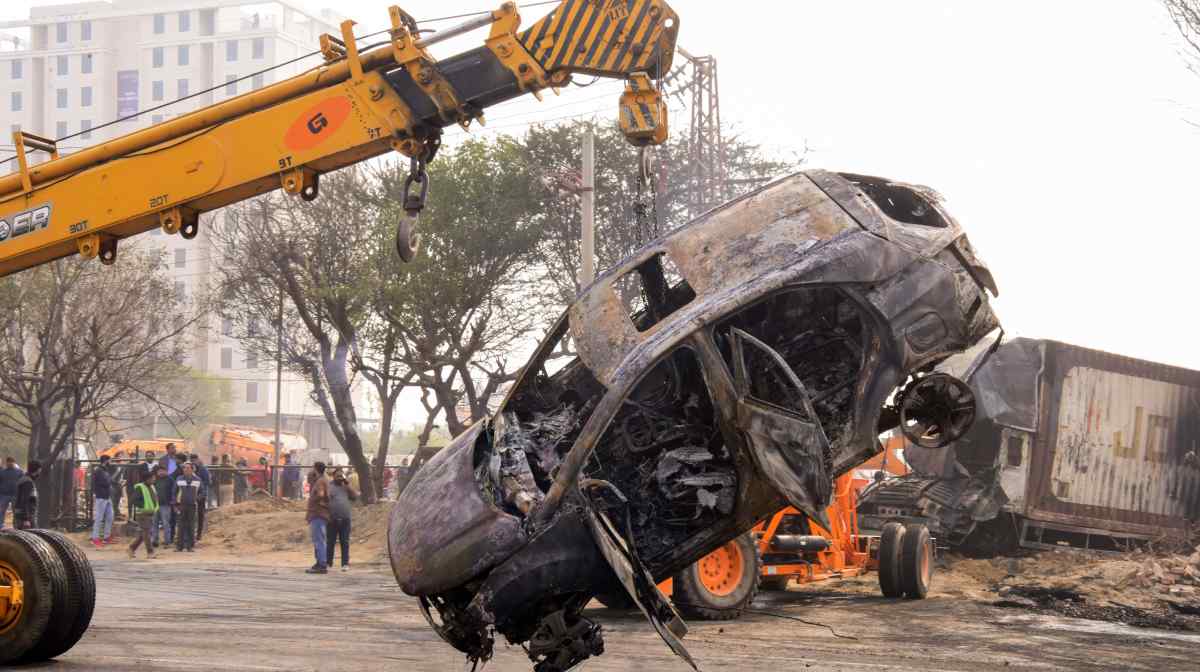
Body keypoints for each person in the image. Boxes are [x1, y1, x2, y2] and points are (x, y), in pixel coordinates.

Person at [326, 469, 357, 571]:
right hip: (332, 519)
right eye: (337, 476)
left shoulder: (346, 487)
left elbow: (355, 497)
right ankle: (328, 563)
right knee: (331, 542)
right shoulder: (329, 486)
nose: (340, 478)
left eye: (341, 476)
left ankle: (345, 564)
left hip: (345, 519)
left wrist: (347, 485)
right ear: (333, 476)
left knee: (345, 541)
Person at [128, 467, 159, 559]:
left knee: (143, 534)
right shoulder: (140, 487)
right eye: (153, 478)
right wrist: (143, 507)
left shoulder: (152, 486)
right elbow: (133, 500)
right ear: (147, 479)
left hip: (150, 513)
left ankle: (132, 548)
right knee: (146, 533)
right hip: (142, 514)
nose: (154, 479)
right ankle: (150, 552)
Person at [305, 462, 330, 574]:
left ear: (316, 469)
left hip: (318, 514)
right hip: (319, 514)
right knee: (318, 539)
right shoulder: (323, 480)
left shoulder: (320, 481)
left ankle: (322, 564)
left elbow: (320, 494)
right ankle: (319, 562)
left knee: (319, 540)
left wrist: (314, 500)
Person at [174, 462, 202, 552]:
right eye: (184, 468)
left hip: (192, 506)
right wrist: (174, 504)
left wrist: (197, 498)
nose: (185, 469)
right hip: (181, 505)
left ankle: (190, 546)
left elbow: (203, 492)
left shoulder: (198, 480)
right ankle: (179, 546)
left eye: (188, 468)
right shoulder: (179, 479)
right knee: (181, 526)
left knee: (191, 526)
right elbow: (174, 492)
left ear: (192, 469)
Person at [91, 455, 115, 547]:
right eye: (110, 460)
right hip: (101, 496)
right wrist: (110, 481)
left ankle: (106, 537)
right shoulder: (99, 470)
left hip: (107, 496)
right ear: (105, 461)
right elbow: (105, 482)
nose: (111, 462)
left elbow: (108, 481)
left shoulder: (104, 470)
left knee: (110, 516)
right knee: (99, 518)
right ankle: (95, 538)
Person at [151, 460, 174, 548]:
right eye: (159, 471)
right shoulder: (154, 480)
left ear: (166, 471)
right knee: (154, 523)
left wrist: (172, 501)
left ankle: (167, 541)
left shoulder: (170, 480)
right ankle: (155, 540)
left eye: (162, 471)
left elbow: (173, 492)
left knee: (166, 523)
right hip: (155, 505)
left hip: (166, 505)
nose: (160, 472)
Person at [12, 460, 40, 530]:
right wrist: (26, 519)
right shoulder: (27, 482)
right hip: (25, 518)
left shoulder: (24, 479)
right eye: (40, 470)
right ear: (37, 470)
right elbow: (24, 501)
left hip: (20, 516)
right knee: (33, 538)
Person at [190, 454, 210, 543]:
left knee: (200, 514)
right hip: (190, 496)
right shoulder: (190, 469)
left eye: (195, 460)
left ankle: (199, 534)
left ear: (198, 460)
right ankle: (191, 534)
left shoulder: (203, 470)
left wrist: (202, 493)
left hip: (200, 496)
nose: (194, 461)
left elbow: (207, 482)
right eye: (192, 460)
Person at [0, 456, 23, 529]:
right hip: (4, 494)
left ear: (14, 463)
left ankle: (15, 526)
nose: (9, 464)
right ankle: (1, 525)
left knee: (15, 511)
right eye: (8, 462)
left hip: (15, 494)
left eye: (11, 462)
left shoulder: (19, 472)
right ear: (6, 463)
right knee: (1, 510)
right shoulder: (2, 472)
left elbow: (22, 483)